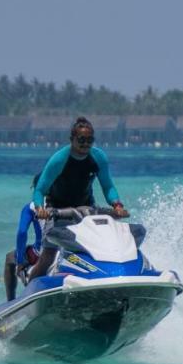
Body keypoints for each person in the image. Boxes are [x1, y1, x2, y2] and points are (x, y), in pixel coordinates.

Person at [26, 117, 129, 279]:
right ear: (72, 139)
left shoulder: (98, 158)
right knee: (48, 257)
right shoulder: (60, 159)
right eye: (81, 139)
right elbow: (40, 190)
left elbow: (108, 186)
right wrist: (40, 209)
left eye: (90, 140)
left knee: (99, 250)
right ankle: (29, 290)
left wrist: (117, 205)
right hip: (58, 210)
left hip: (86, 209)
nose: (86, 143)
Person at [3, 174, 44, 302]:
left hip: (42, 252)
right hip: (65, 249)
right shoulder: (65, 203)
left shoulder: (31, 207)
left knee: (10, 257)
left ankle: (10, 302)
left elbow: (22, 232)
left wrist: (20, 261)